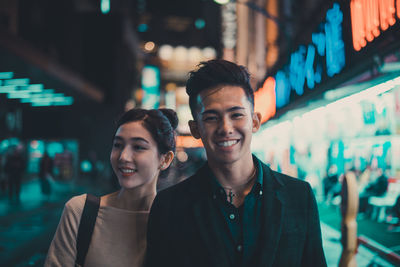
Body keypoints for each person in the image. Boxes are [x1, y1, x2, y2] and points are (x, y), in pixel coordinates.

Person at [145, 60, 327, 267]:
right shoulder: (169, 206)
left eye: (236, 115)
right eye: (211, 118)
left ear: (255, 121)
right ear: (196, 129)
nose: (226, 128)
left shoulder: (299, 196)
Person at [45, 108, 177, 267]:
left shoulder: (176, 222)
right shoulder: (80, 211)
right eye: (118, 145)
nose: (123, 157)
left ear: (165, 159)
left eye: (138, 147)